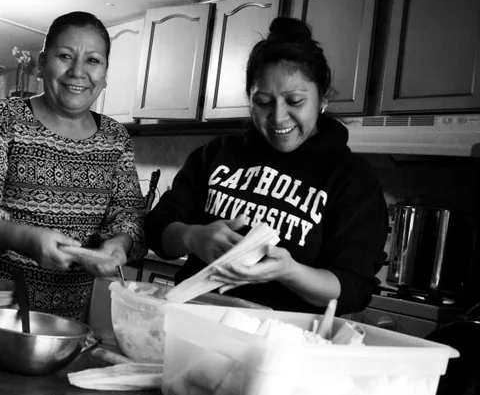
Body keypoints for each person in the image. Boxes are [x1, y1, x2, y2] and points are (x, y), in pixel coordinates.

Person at [145, 17, 388, 315]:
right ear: (249, 99)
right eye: (262, 102)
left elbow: (354, 288)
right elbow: (156, 228)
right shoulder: (217, 153)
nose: (278, 117)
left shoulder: (352, 179)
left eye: (295, 101)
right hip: (193, 324)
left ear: (322, 99)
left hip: (282, 345)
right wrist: (192, 236)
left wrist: (289, 272)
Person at [0, 11, 146, 321]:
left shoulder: (116, 138)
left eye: (93, 60)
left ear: (105, 74)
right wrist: (27, 239)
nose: (78, 72)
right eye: (65, 56)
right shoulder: (6, 118)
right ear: (42, 62)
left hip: (66, 325)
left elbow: (128, 214)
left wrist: (120, 243)